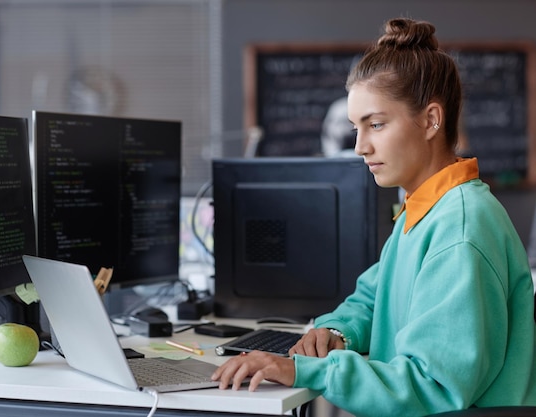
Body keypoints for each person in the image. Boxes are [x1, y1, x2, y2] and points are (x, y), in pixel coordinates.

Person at [211, 17, 536, 416]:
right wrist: (335, 332)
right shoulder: (424, 208)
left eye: (376, 125)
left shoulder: (460, 228)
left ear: (431, 120)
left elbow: (432, 383)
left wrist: (306, 372)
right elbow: (372, 297)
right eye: (355, 128)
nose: (361, 146)